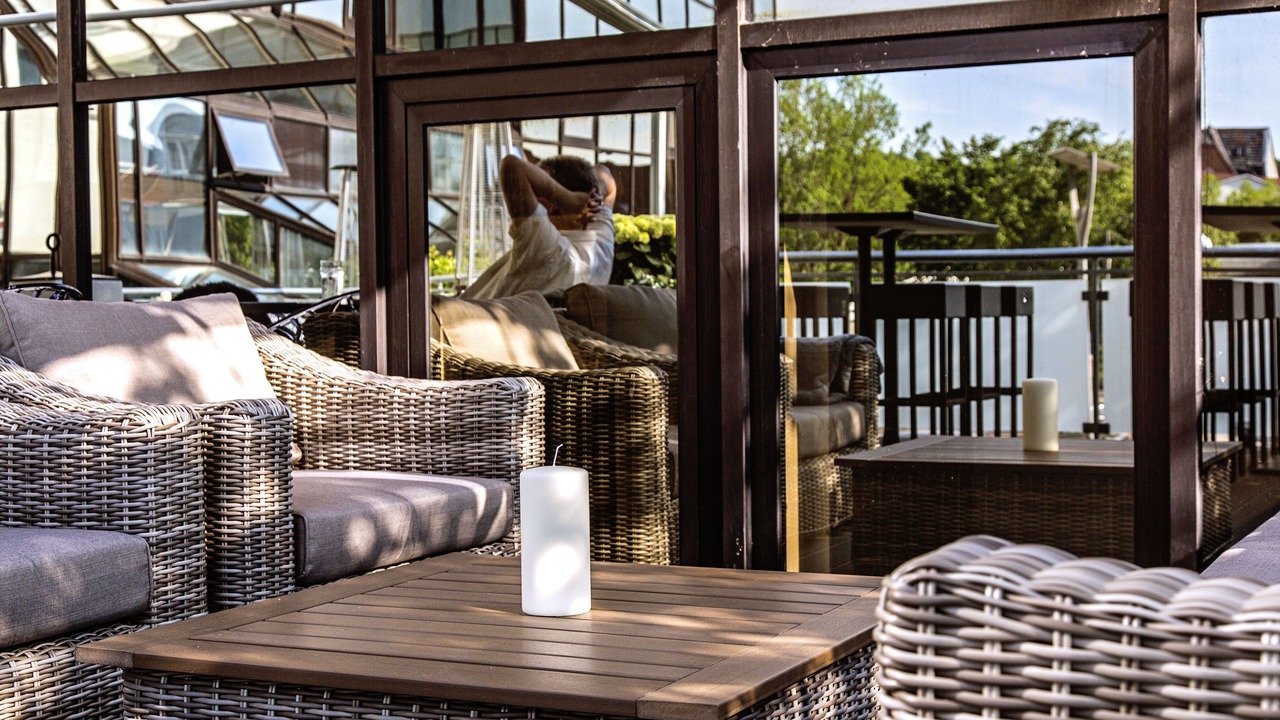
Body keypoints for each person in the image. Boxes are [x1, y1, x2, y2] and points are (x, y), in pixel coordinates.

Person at [462, 153, 617, 301]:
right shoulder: (600, 244)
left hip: (469, 314)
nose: (532, 196)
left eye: (538, 189)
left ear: (554, 205)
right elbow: (606, 176)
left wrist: (569, 200)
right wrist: (592, 197)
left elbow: (512, 166)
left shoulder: (547, 246)